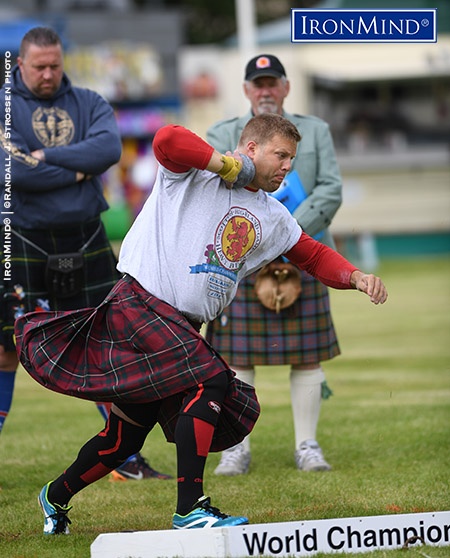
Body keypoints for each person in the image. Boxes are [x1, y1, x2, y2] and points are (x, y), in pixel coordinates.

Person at [15, 113, 388, 534]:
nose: (288, 166)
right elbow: (168, 139)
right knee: (210, 379)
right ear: (251, 149)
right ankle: (190, 508)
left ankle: (55, 496)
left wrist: (356, 276)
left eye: (292, 159)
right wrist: (226, 166)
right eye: (280, 155)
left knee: (124, 439)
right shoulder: (191, 177)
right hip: (140, 304)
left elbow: (313, 256)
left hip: (182, 326)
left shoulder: (274, 215)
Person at [0, 26, 170, 483]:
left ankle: (124, 459)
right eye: (40, 66)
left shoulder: (90, 102)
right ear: (21, 64)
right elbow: (9, 170)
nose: (49, 73)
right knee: (3, 349)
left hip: (85, 234)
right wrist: (76, 169)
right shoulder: (4, 104)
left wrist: (42, 159)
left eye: (55, 64)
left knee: (104, 342)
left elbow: (108, 150)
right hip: (20, 237)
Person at [205, 54, 343, 475]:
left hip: (304, 256)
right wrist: (264, 239)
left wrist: (286, 233)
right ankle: (236, 448)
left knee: (306, 357)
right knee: (237, 359)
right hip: (243, 258)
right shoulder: (221, 133)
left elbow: (331, 190)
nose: (265, 90)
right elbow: (213, 191)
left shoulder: (316, 131)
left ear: (285, 87)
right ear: (247, 90)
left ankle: (307, 445)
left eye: (273, 83)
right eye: (257, 84)